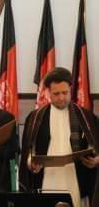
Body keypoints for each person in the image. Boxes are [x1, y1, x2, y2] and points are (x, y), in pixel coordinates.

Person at [19, 67, 99, 207]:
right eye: (56, 94)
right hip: (47, 178)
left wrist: (97, 160)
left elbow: (96, 147)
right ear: (48, 92)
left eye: (65, 92)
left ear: (71, 89)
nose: (61, 97)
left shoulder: (86, 117)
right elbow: (28, 150)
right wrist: (31, 163)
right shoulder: (35, 118)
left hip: (76, 178)